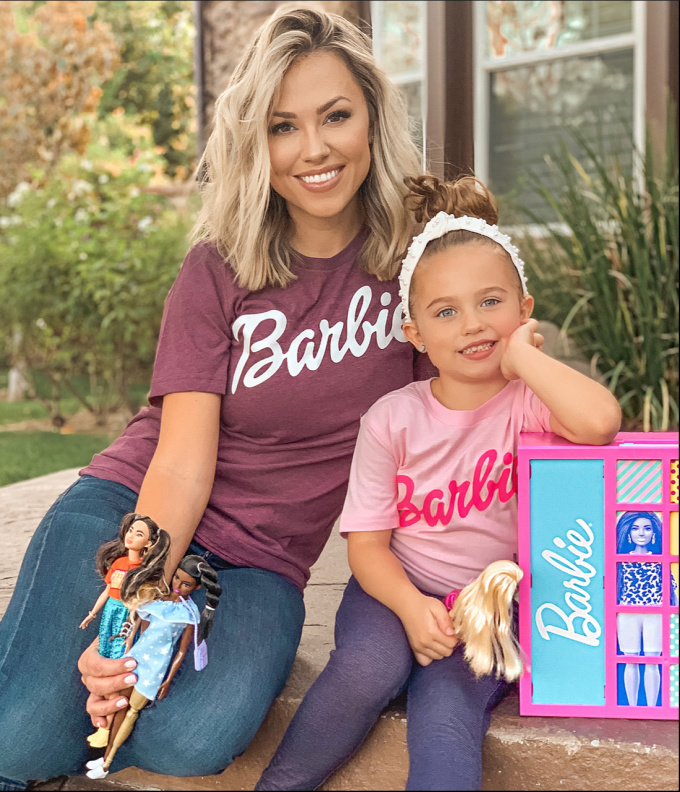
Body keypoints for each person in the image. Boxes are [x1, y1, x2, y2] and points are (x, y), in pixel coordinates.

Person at [0, 6, 427, 789]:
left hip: (261, 562)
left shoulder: (415, 267)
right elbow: (182, 464)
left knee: (194, 740)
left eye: (336, 116)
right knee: (19, 737)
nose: (315, 149)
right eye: (282, 127)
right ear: (256, 144)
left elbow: (455, 420)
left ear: (372, 117)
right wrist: (131, 611)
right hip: (134, 513)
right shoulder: (220, 268)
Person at [255, 173, 622, 792]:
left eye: (491, 303)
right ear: (416, 334)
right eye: (446, 312)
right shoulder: (392, 418)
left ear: (524, 310)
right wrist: (409, 605)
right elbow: (367, 546)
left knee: (447, 714)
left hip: (487, 606)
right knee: (365, 671)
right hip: (393, 590)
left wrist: (525, 358)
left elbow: (600, 422)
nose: (473, 325)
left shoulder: (530, 404)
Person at [85, 555, 222, 779]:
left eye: (185, 583)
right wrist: (128, 642)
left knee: (131, 712)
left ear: (196, 587)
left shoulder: (189, 614)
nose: (177, 585)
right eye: (176, 578)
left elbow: (181, 651)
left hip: (156, 667)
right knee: (119, 703)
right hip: (137, 657)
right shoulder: (159, 602)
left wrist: (168, 679)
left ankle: (108, 762)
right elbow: (143, 625)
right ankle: (105, 756)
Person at [616, 510, 676, 706]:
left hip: (655, 613)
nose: (641, 533)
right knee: (629, 660)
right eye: (635, 528)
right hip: (627, 613)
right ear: (628, 532)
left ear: (654, 533)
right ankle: (632, 706)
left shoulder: (660, 560)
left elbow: (670, 588)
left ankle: (652, 706)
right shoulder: (620, 560)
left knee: (653, 661)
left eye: (647, 528)